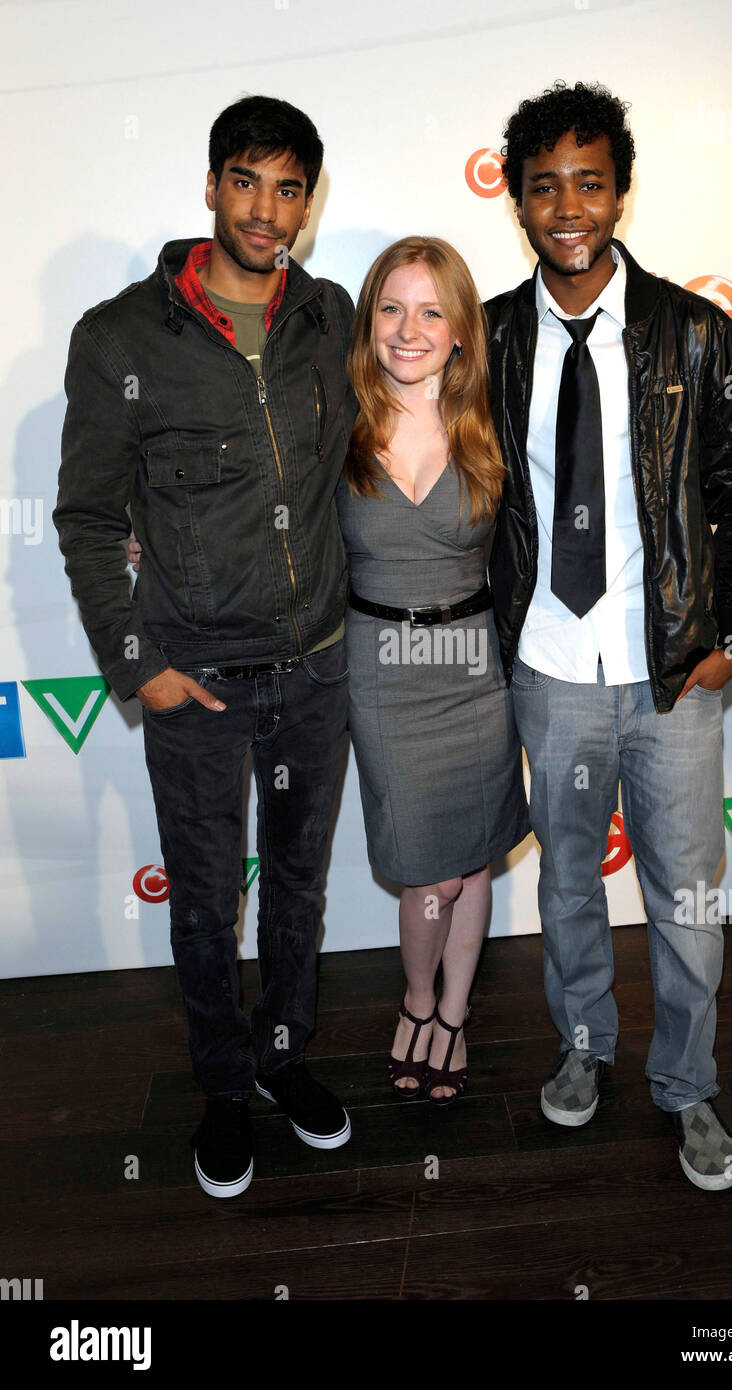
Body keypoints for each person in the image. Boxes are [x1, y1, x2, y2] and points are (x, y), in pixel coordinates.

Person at [55, 95, 357, 1199]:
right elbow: (89, 517)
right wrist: (137, 663)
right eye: (246, 181)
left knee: (296, 885)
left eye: (288, 189)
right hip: (195, 678)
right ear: (210, 186)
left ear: (307, 203)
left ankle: (285, 1059)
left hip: (317, 662)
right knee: (200, 897)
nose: (265, 209)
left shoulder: (329, 319)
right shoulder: (122, 337)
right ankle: (225, 1085)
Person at [484, 82, 732, 1188]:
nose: (567, 206)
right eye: (545, 184)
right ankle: (580, 1045)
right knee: (565, 881)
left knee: (688, 901)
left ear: (619, 191)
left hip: (671, 676)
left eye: (588, 182)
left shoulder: (693, 333)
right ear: (516, 198)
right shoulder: (490, 337)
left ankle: (688, 1085)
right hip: (549, 670)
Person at [337, 237, 530, 1103]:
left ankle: (452, 1013)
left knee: (475, 861)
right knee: (428, 871)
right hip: (382, 669)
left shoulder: (494, 420)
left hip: (472, 670)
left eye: (430, 311)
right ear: (368, 320)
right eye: (390, 307)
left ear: (460, 331)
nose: (408, 330)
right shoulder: (331, 420)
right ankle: (416, 999)